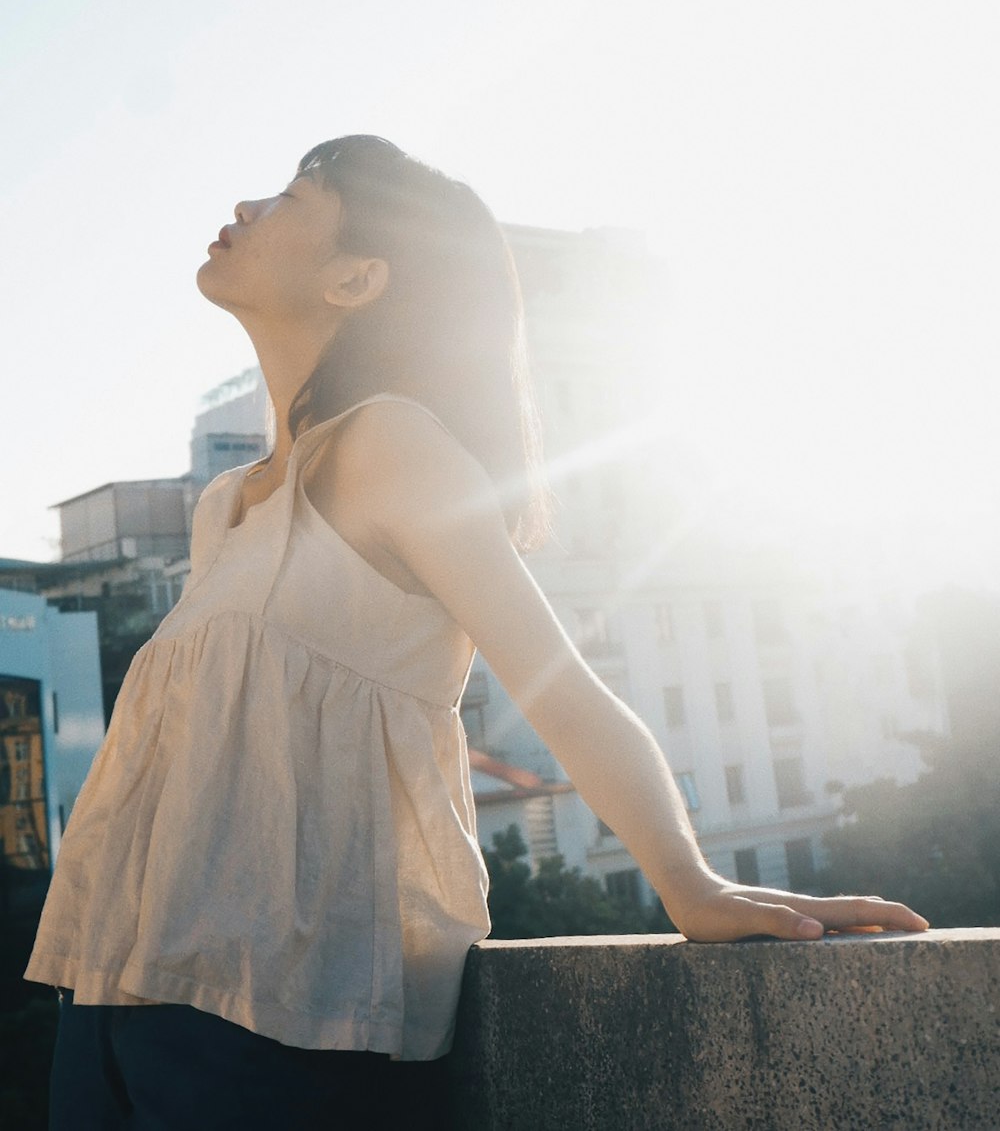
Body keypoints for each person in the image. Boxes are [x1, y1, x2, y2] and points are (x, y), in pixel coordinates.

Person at [26, 135, 929, 1129]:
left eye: (290, 197)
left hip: (281, 1013)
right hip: (121, 988)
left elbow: (558, 683)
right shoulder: (225, 506)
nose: (246, 206)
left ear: (358, 276)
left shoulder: (392, 442)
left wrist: (688, 880)